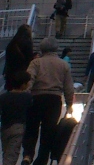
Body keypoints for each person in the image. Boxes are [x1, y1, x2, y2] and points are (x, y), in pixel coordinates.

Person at [24, 37, 72, 165]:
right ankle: (42, 159)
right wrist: (69, 104)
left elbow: (29, 79)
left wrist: (26, 95)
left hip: (36, 98)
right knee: (48, 131)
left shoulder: (36, 63)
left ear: (41, 48)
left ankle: (28, 155)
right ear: (56, 48)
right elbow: (68, 87)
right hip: (54, 100)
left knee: (31, 128)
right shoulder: (63, 64)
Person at [0, 70, 31, 165]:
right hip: (18, 128)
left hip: (5, 128)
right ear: (23, 84)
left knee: (6, 152)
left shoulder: (3, 97)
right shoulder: (27, 97)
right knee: (11, 156)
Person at [3, 26, 33, 90]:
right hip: (22, 72)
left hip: (10, 72)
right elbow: (29, 58)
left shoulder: (12, 43)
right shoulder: (27, 42)